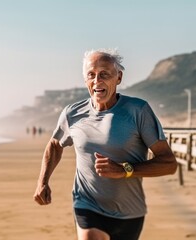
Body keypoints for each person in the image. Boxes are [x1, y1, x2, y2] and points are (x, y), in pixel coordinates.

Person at [33, 49, 177, 240]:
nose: (97, 81)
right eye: (91, 75)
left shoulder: (138, 111)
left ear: (118, 78)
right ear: (85, 79)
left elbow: (169, 163)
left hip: (129, 212)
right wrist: (42, 181)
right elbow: (54, 145)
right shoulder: (72, 113)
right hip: (87, 204)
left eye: (104, 74)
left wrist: (125, 169)